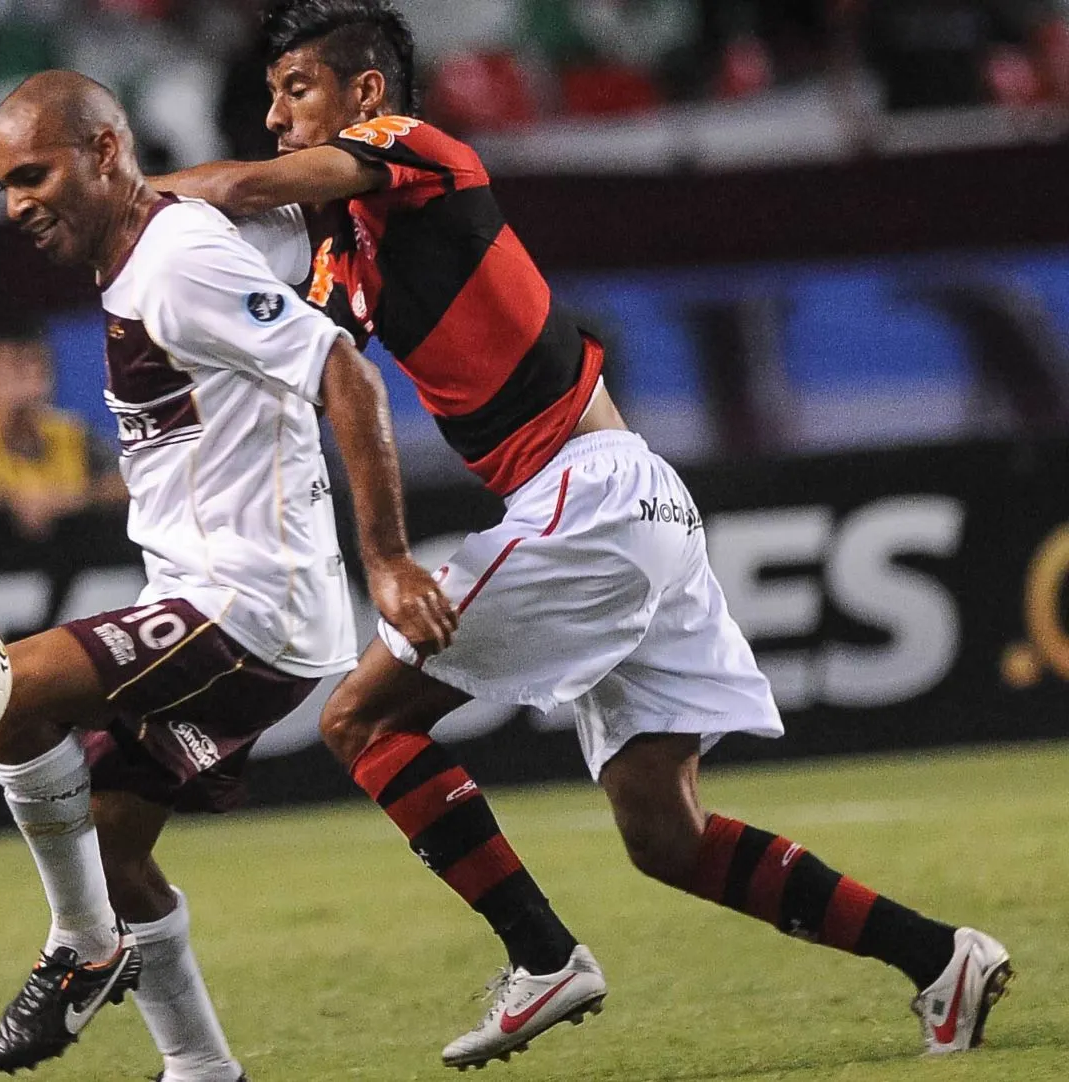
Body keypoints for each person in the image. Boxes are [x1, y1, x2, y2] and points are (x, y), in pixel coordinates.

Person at [156, 0, 1012, 1066]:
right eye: (274, 96)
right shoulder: (353, 245)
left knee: (363, 721)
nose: (277, 117)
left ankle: (542, 953)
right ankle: (940, 958)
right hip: (637, 498)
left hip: (586, 496)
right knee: (667, 835)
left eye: (298, 92)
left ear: (365, 94)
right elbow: (302, 346)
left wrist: (126, 202)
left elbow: (237, 187)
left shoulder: (420, 151)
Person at [0, 70, 462, 1080]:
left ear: (105, 152)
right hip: (211, 602)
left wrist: (387, 558)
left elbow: (343, 371)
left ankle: (83, 944)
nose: (17, 202)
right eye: (2, 187)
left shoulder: (177, 260)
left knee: (3, 688)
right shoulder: (146, 251)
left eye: (33, 173)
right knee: (113, 841)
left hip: (247, 602)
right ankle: (202, 1068)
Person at [0, 322, 126, 538]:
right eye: (9, 375)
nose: (23, 390)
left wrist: (69, 499)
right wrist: (14, 500)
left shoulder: (73, 433)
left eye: (35, 372)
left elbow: (129, 485)